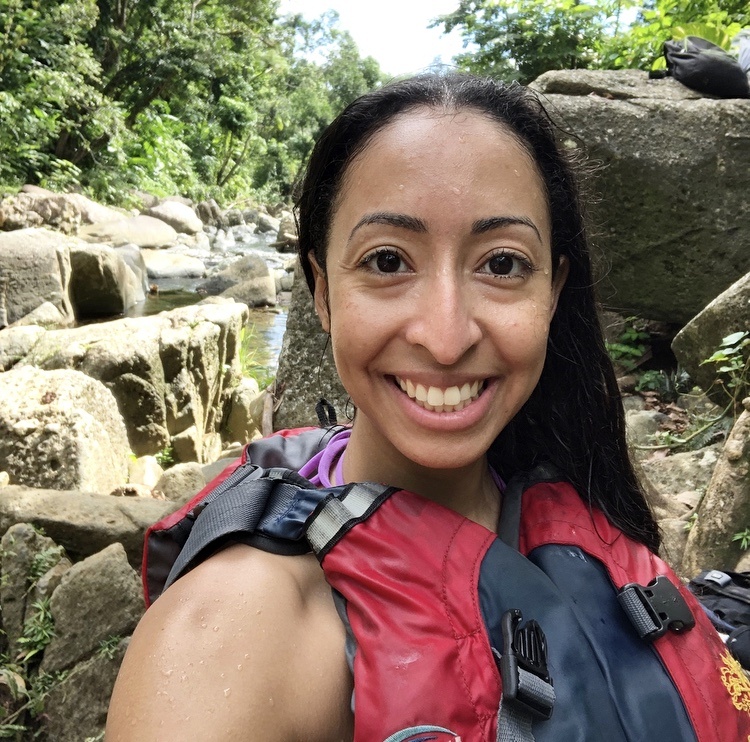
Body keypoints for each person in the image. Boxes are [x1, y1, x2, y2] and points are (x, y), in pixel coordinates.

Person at [106, 73, 748, 741]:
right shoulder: (233, 632)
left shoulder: (571, 484)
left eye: (502, 265)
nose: (445, 338)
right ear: (321, 293)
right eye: (388, 260)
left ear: (553, 291)